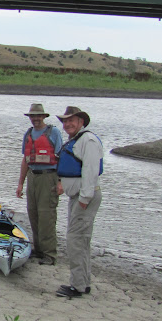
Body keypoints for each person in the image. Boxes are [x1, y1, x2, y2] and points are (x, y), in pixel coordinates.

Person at [54, 106, 104, 298]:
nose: (67, 124)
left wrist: (84, 198)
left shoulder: (88, 141)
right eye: (65, 121)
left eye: (71, 120)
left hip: (85, 198)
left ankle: (77, 286)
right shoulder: (76, 140)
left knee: (75, 240)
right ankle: (83, 282)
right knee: (81, 241)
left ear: (81, 122)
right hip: (77, 196)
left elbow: (91, 171)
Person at [15, 103, 63, 265]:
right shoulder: (28, 134)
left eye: (38, 116)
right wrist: (20, 184)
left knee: (46, 215)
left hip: (48, 177)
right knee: (33, 213)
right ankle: (39, 249)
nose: (35, 119)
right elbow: (25, 160)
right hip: (33, 177)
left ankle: (50, 254)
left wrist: (60, 182)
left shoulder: (53, 132)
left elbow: (61, 157)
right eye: (32, 116)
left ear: (43, 117)